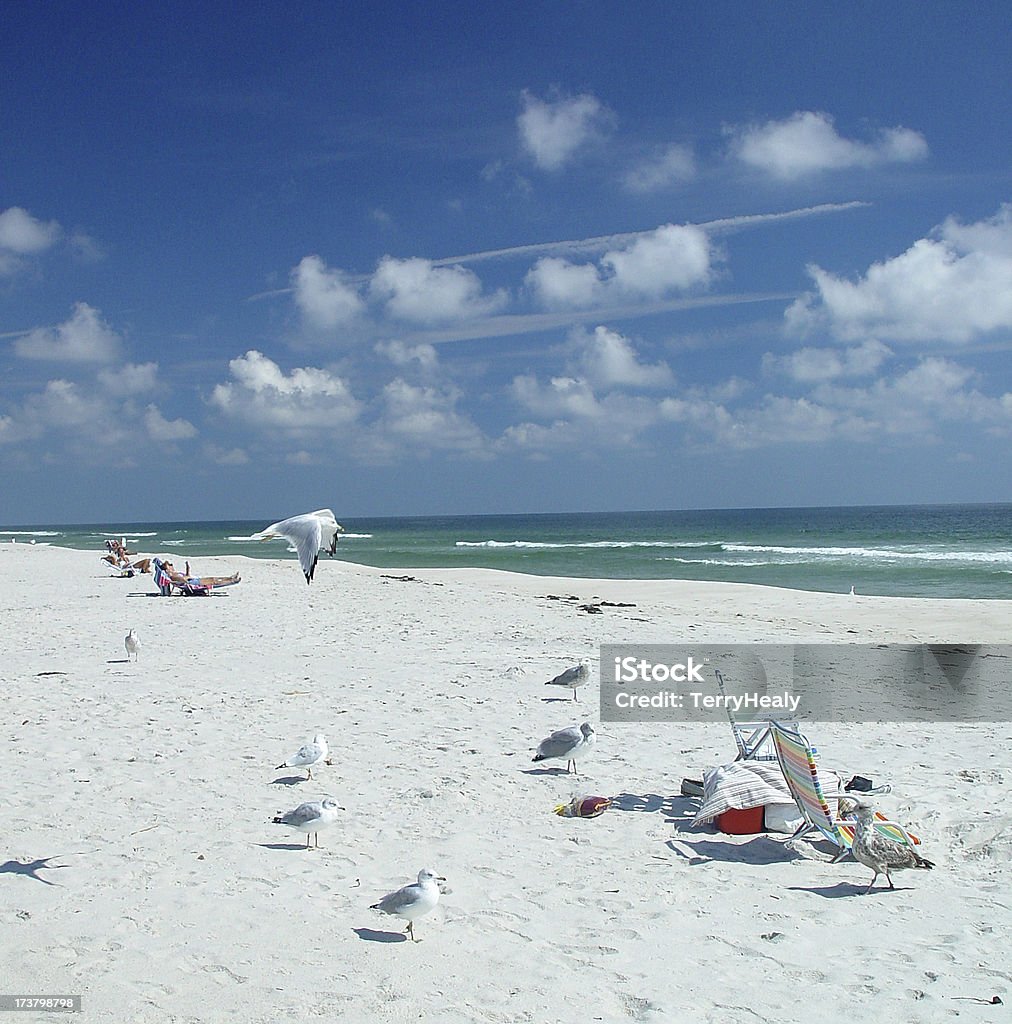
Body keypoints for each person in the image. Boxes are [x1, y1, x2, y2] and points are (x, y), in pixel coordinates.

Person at [161, 560, 240, 588]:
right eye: (170, 565)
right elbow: (184, 580)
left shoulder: (175, 573)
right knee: (214, 581)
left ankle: (230, 578)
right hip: (192, 582)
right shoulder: (172, 575)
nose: (172, 566)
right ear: (167, 569)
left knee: (213, 579)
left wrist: (187, 568)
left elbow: (186, 577)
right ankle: (232, 581)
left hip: (192, 580)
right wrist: (187, 574)